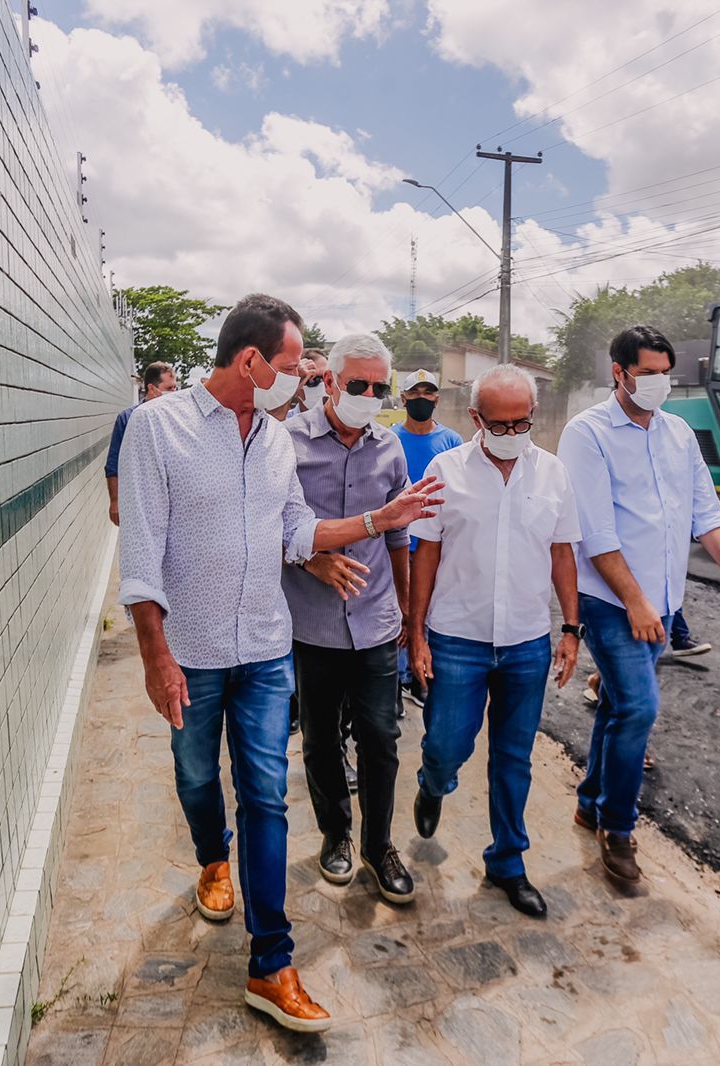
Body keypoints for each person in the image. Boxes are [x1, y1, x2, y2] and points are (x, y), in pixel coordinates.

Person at [117, 293, 442, 1034]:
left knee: (265, 796)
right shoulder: (155, 429)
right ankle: (210, 858)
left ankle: (271, 963)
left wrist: (376, 522)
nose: (303, 381)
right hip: (192, 654)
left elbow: (296, 528)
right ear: (251, 360)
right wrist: (155, 657)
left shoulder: (271, 439)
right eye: (295, 367)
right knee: (199, 777)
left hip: (265, 650)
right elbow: (139, 559)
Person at [558, 325, 720, 885]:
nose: (658, 383)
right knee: (640, 709)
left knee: (621, 706)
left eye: (664, 373)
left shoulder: (679, 434)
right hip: (610, 602)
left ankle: (591, 800)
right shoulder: (587, 433)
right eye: (646, 374)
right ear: (618, 373)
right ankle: (617, 829)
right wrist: (638, 603)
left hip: (663, 602)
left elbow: (705, 511)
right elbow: (595, 535)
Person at [408, 365, 582, 917]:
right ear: (476, 418)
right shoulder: (445, 470)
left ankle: (508, 860)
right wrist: (415, 633)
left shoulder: (552, 474)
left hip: (526, 641)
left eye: (522, 422)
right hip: (457, 637)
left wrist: (572, 630)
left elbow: (562, 553)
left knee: (514, 757)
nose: (512, 433)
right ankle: (433, 784)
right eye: (500, 423)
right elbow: (426, 554)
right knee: (445, 746)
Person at [283, 333, 416, 904]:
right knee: (318, 739)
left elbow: (399, 534)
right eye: (357, 384)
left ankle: (378, 842)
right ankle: (335, 833)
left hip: (376, 620)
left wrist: (408, 609)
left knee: (381, 739)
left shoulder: (389, 448)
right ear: (330, 381)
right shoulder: (285, 443)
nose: (368, 394)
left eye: (379, 386)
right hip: (312, 623)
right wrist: (312, 560)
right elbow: (267, 524)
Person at [391, 369, 463, 708]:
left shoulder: (452, 441)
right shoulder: (388, 438)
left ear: (437, 397)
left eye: (429, 392)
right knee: (397, 612)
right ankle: (397, 678)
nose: (422, 398)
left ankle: (420, 673)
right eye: (415, 392)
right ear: (403, 398)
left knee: (428, 610)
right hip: (398, 543)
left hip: (435, 544)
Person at [104, 361, 176, 524]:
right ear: (152, 388)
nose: (174, 392)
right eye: (169, 388)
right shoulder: (128, 418)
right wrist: (115, 501)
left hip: (170, 503)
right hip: (137, 503)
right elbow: (113, 464)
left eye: (175, 388)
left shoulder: (175, 419)